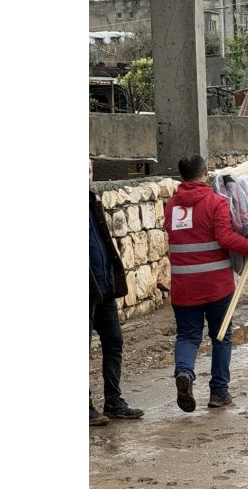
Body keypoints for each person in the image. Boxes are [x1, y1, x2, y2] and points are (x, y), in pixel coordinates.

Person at [165, 154, 248, 412]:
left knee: (187, 335)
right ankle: (219, 392)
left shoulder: (171, 206)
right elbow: (226, 238)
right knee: (221, 336)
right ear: (206, 172)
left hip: (183, 286)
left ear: (181, 177)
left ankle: (184, 373)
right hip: (216, 285)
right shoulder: (216, 202)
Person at [89, 159, 145, 426]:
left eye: (89, 171)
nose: (87, 177)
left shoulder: (92, 202)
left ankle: (113, 400)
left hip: (104, 289)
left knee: (114, 342)